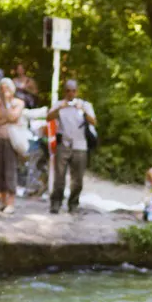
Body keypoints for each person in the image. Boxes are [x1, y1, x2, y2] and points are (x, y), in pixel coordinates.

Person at [47, 79, 95, 215]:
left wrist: (83, 110)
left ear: (77, 91)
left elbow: (93, 121)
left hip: (80, 145)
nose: (70, 93)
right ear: (65, 92)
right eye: (68, 90)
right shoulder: (59, 105)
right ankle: (56, 203)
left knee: (77, 179)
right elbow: (48, 118)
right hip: (64, 144)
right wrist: (59, 108)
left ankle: (73, 204)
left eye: (73, 91)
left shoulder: (85, 105)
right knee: (59, 177)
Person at [0, 76, 28, 214]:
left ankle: (11, 202)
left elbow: (13, 117)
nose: (4, 92)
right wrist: (4, 119)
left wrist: (4, 114)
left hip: (11, 140)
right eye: (2, 89)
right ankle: (3, 201)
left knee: (10, 170)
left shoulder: (18, 103)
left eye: (6, 89)